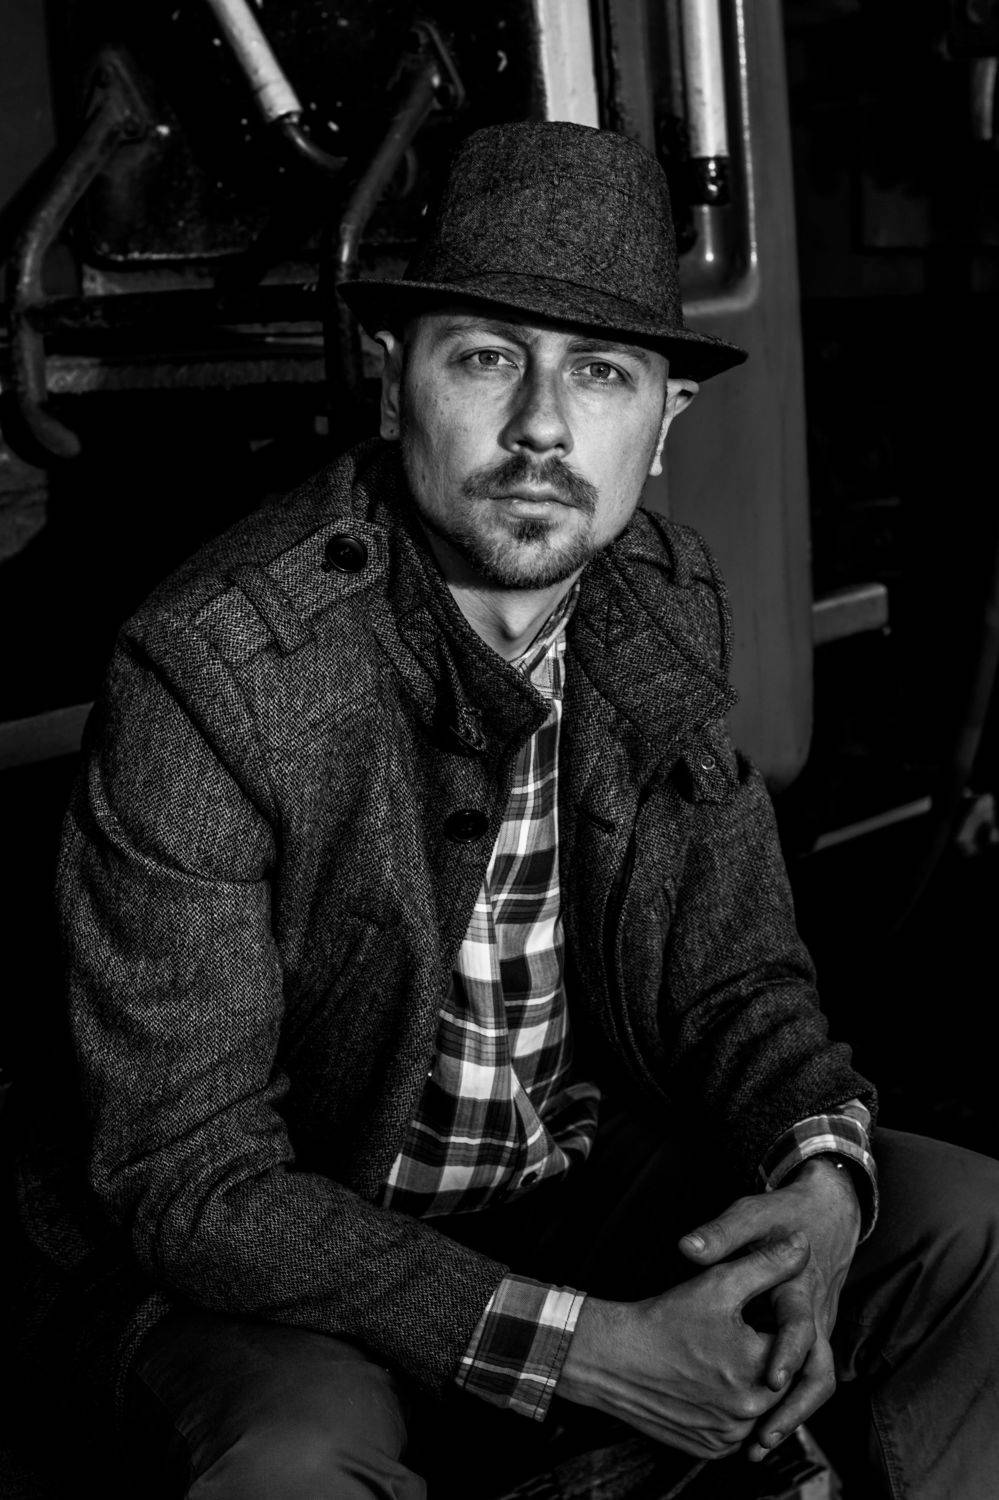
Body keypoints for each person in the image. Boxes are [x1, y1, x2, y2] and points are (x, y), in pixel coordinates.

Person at [13, 120, 999, 1499]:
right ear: (393, 380)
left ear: (664, 421)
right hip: (286, 1255)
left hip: (550, 1197)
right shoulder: (216, 673)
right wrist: (590, 1352)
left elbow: (738, 982)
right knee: (294, 1454)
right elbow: (190, 1177)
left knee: (960, 1227)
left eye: (600, 373)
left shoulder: (659, 598)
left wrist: (821, 1186)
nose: (542, 425)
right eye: (486, 358)